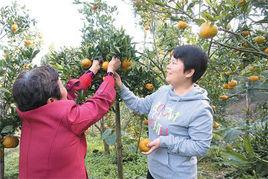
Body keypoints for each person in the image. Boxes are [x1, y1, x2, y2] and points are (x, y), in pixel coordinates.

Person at [12, 57, 121, 179]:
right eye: (61, 85)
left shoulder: (30, 111)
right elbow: (99, 103)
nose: (65, 88)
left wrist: (93, 69)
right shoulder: (68, 118)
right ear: (52, 100)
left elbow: (71, 91)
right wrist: (110, 73)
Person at [114, 45, 213, 179]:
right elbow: (139, 105)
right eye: (169, 62)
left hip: (176, 175)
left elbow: (200, 146)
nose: (168, 66)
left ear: (189, 72)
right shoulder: (163, 91)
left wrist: (164, 142)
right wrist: (120, 86)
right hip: (154, 171)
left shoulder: (199, 108)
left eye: (174, 63)